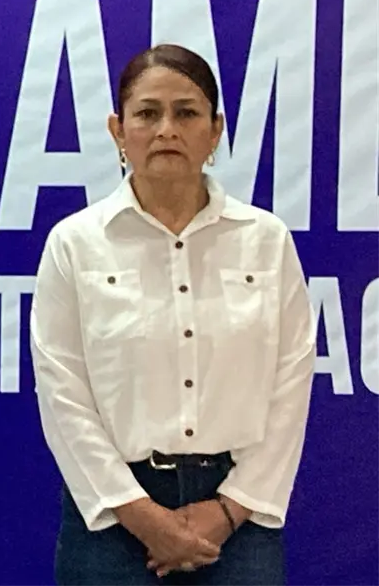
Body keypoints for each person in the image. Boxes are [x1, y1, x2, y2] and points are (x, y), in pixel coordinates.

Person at [29, 43, 315, 585]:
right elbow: (62, 391)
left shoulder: (266, 241)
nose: (166, 130)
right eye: (147, 113)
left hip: (237, 519)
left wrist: (229, 509)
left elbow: (291, 380)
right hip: (112, 520)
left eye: (186, 113)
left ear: (215, 131)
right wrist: (140, 515)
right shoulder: (75, 244)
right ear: (118, 130)